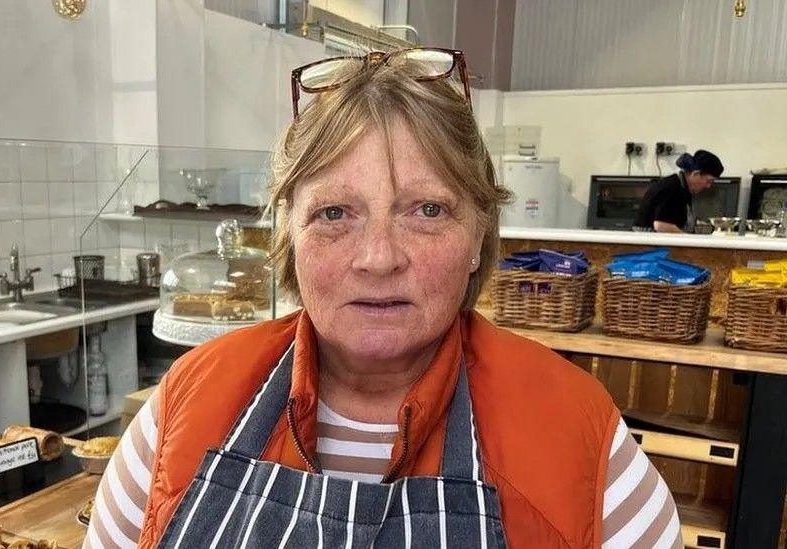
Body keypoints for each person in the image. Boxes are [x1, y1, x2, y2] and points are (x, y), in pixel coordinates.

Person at [84, 48, 682, 548]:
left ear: (479, 236)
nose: (378, 257)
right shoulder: (190, 400)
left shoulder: (574, 427)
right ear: (290, 234)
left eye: (426, 210)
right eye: (335, 212)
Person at [633, 149, 725, 233]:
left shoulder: (682, 188)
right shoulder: (672, 188)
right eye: (708, 181)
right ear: (695, 174)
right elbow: (661, 225)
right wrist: (687, 240)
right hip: (648, 243)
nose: (708, 186)